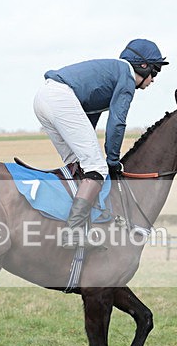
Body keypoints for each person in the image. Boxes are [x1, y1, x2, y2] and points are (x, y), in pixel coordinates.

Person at [34, 39, 168, 249]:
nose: (154, 79)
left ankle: (70, 223)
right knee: (97, 168)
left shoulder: (113, 73)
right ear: (143, 66)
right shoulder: (126, 76)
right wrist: (112, 160)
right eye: (156, 71)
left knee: (79, 166)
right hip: (60, 98)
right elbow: (117, 122)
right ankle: (73, 233)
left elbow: (89, 118)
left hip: (44, 99)